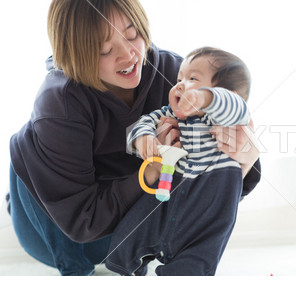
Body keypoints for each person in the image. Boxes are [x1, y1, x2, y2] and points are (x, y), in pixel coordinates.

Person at [8, 0, 260, 276]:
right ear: (75, 54)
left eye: (133, 35)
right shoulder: (59, 103)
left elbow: (207, 196)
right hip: (62, 229)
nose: (129, 55)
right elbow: (82, 223)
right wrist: (150, 171)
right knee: (29, 143)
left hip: (131, 226)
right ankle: (71, 269)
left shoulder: (175, 76)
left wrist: (244, 163)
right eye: (105, 49)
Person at [105, 47, 252, 276]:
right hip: (172, 187)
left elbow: (235, 104)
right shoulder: (171, 115)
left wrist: (203, 98)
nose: (180, 84)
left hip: (210, 193)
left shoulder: (225, 118)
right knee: (131, 234)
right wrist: (143, 138)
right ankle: (130, 268)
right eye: (179, 78)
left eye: (193, 78)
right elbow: (144, 122)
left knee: (196, 257)